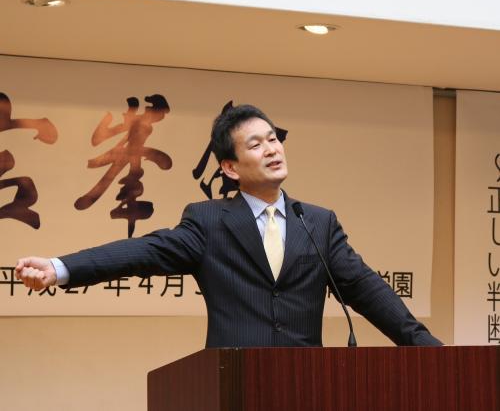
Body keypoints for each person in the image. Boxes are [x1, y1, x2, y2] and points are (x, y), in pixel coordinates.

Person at [15, 104, 441, 347]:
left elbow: (367, 290)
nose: (272, 149)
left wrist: (432, 353)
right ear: (230, 168)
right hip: (233, 384)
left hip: (309, 387)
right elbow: (144, 252)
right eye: (256, 144)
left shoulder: (317, 222)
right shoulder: (208, 222)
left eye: (273, 139)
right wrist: (61, 267)